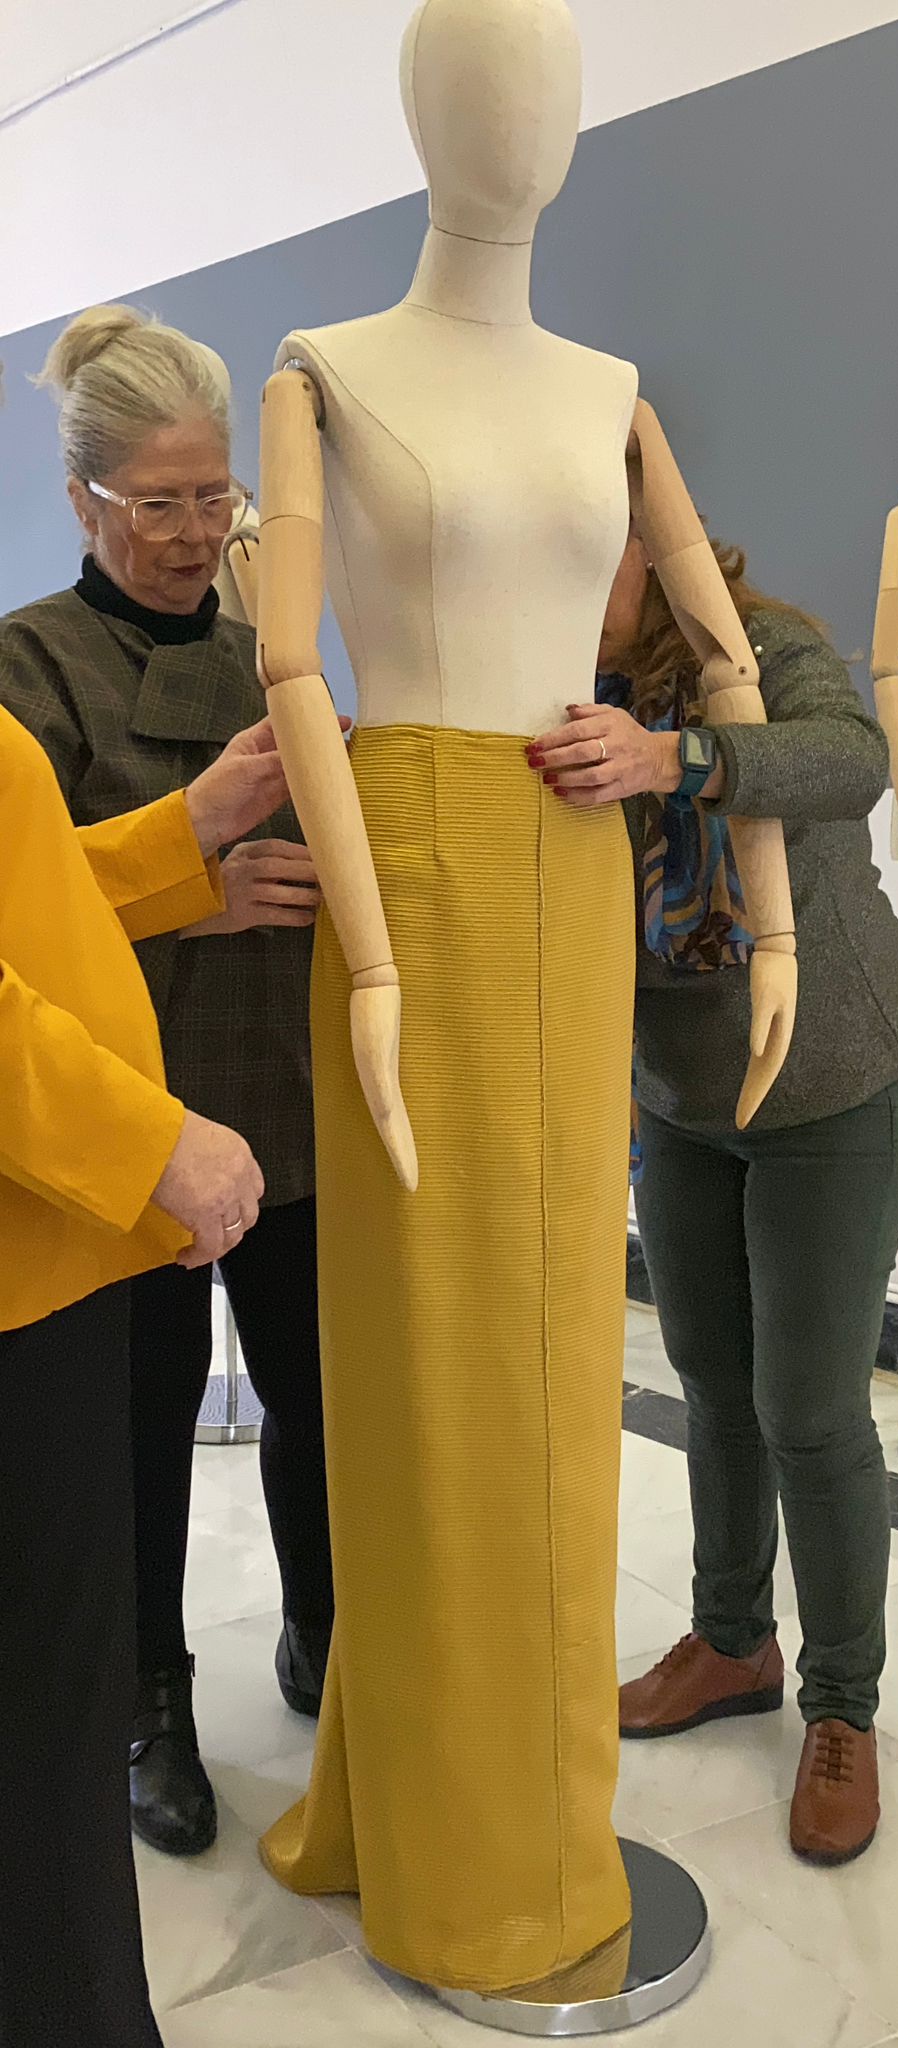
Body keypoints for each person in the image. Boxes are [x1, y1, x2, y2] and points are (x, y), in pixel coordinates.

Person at [528, 522, 898, 1867]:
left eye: (590, 557)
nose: (565, 589)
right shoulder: (550, 685)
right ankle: (733, 1641)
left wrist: (675, 759)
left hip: (830, 1081)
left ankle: (843, 1709)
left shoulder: (753, 648)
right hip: (684, 1093)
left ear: (650, 548)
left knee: (808, 1410)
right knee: (709, 1383)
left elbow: (853, 760)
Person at [0, 303, 334, 1863]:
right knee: (134, 1432)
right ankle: (150, 1703)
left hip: (286, 1081)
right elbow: (30, 913)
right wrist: (199, 876)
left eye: (216, 497)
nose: (196, 534)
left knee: (317, 1401)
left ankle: (329, 1634)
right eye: (159, 503)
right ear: (82, 500)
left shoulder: (272, 650)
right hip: (121, 1117)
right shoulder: (28, 665)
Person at [0, 699, 283, 2048]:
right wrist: (150, 1143)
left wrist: (188, 830)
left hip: (47, 1257)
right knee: (48, 1718)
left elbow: (28, 891)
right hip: (23, 1277)